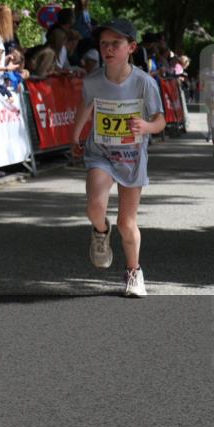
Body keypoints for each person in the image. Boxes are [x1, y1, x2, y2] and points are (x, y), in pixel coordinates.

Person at [71, 20, 165, 297]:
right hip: (101, 154)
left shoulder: (144, 83)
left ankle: (134, 272)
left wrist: (147, 127)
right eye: (103, 44)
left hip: (132, 158)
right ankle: (101, 231)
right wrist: (75, 136)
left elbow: (160, 119)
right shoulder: (93, 81)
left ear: (131, 48)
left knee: (127, 223)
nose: (108, 49)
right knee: (94, 206)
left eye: (116, 44)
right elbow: (85, 106)